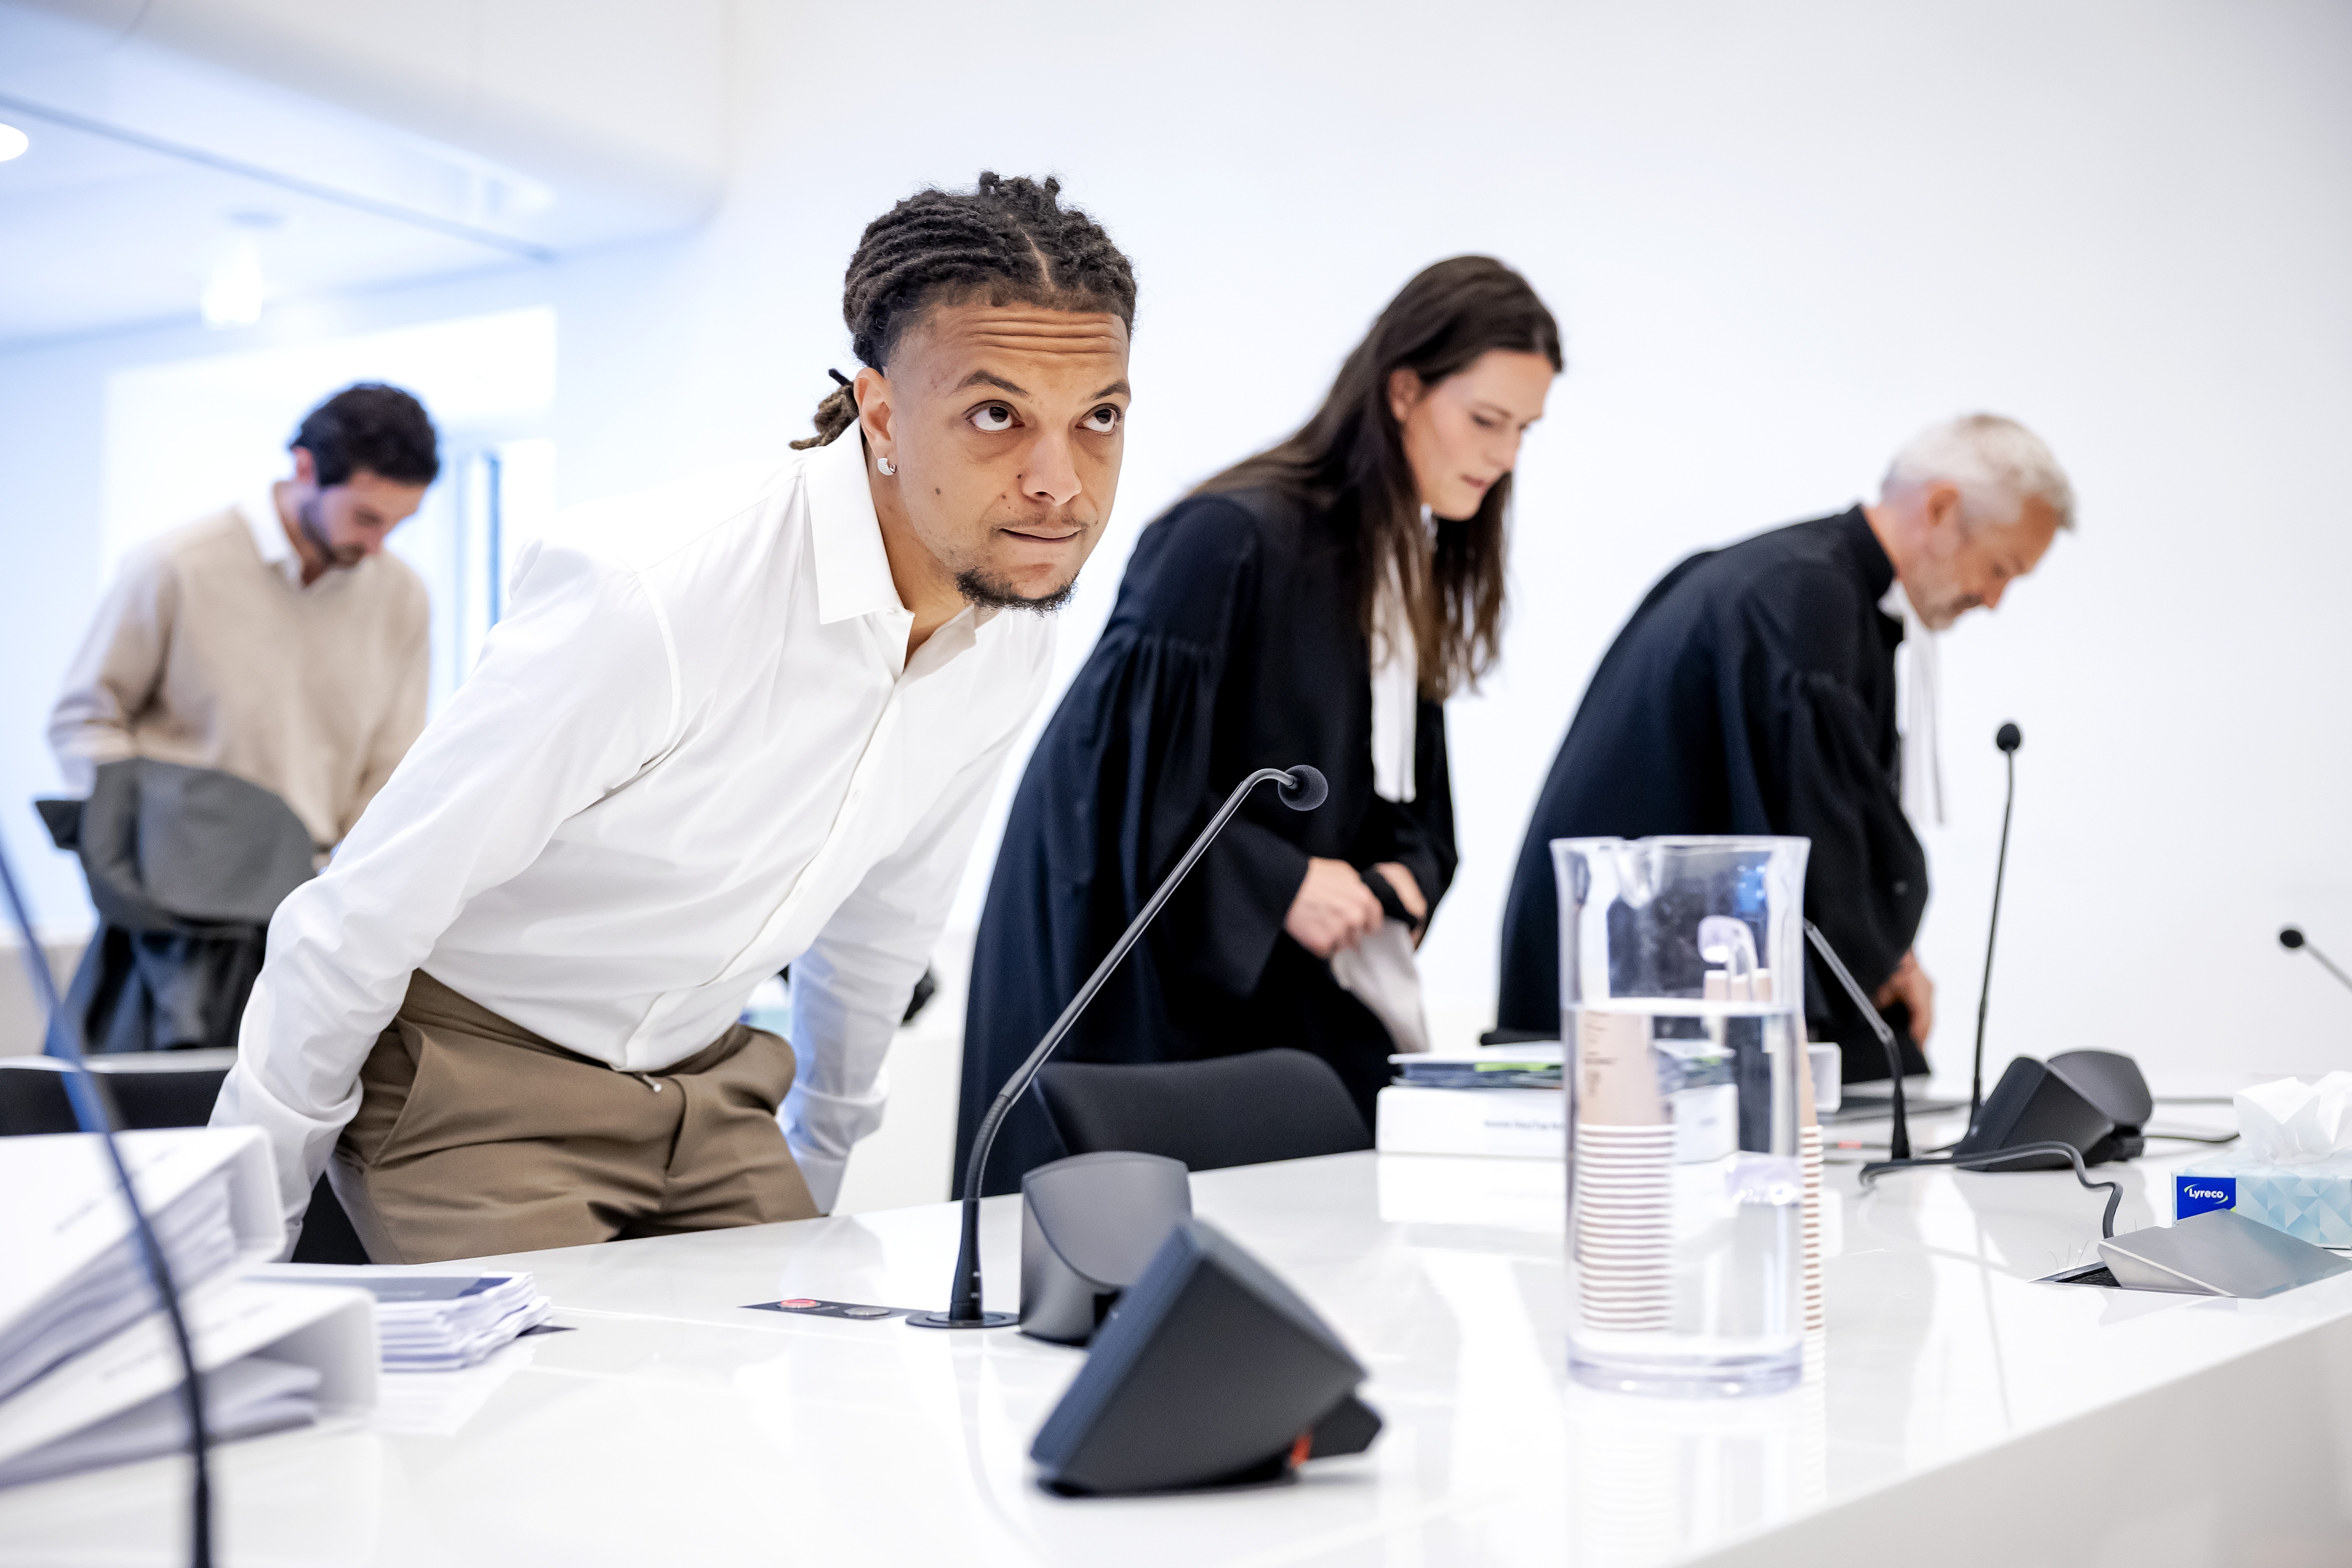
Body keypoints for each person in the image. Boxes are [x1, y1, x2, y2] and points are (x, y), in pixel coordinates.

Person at [212, 172, 1138, 1261]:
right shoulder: (655, 593)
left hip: (709, 1084)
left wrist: (817, 1176)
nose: (1060, 483)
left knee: (828, 1348)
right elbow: (360, 915)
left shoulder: (1009, 631)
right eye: (997, 415)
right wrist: (235, 1262)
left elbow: (883, 926)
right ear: (882, 413)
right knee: (573, 1377)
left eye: (1099, 418)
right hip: (478, 1081)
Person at [962, 257, 1561, 1194]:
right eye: (1487, 420)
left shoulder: (1400, 565)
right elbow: (1114, 791)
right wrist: (1282, 882)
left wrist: (1407, 874)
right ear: (1404, 390)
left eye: (1524, 430)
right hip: (1151, 995)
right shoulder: (1227, 538)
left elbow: (1410, 793)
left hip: (1289, 986)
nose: (1506, 456)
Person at [1494, 414, 2075, 1080]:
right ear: (1941, 509)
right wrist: (1882, 959)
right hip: (1631, 1007)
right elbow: (1810, 835)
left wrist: (1887, 955)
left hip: (1624, 976)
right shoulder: (1807, 598)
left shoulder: (1792, 577)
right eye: (2000, 569)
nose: (1994, 600)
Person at [49, 383, 439, 855]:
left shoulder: (403, 597)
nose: (378, 546)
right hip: (179, 872)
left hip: (316, 876)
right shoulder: (177, 566)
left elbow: (393, 761)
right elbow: (87, 721)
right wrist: (135, 845)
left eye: (400, 523)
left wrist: (357, 871)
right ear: (305, 468)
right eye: (367, 519)